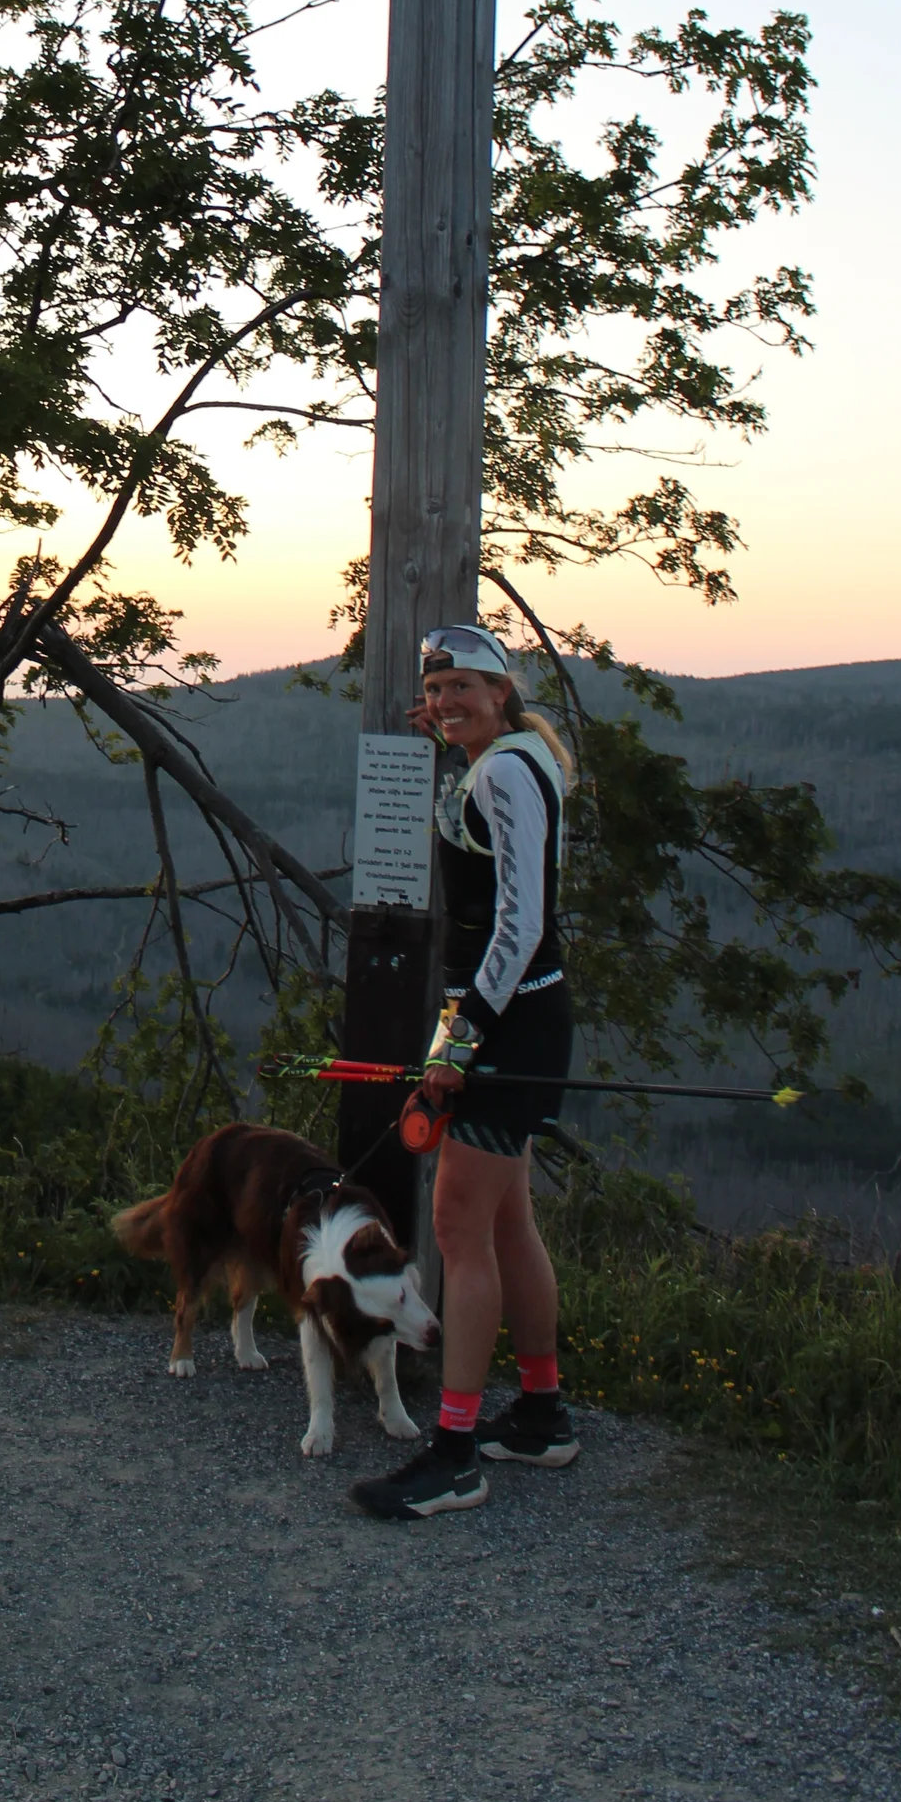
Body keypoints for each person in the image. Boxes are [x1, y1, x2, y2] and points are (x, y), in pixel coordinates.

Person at [349, 623, 578, 1520]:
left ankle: (455, 1451)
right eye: (435, 691)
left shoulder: (505, 772)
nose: (444, 703)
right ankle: (541, 1415)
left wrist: (458, 1044)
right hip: (515, 1015)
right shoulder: (515, 760)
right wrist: (453, 740)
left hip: (505, 1024)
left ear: (501, 692)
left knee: (457, 1226)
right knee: (509, 1220)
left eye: (462, 690)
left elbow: (520, 921)